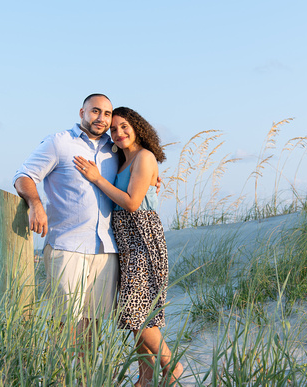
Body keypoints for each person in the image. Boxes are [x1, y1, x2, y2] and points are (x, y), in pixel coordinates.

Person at [74, 107, 184, 386]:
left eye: (124, 127)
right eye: (114, 128)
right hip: (124, 239)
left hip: (142, 237)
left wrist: (97, 178)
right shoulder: (122, 157)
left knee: (138, 313)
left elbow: (133, 203)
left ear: (137, 127)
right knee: (135, 312)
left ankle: (171, 366)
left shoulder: (144, 157)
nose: (118, 133)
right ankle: (145, 378)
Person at [13, 94, 119, 347]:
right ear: (81, 112)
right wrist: (35, 204)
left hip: (106, 249)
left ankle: (86, 379)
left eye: (107, 114)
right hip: (67, 245)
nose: (101, 118)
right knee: (64, 322)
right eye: (95, 111)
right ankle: (61, 377)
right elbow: (23, 176)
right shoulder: (59, 143)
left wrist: (153, 180)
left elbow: (136, 171)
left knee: (93, 322)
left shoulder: (115, 149)